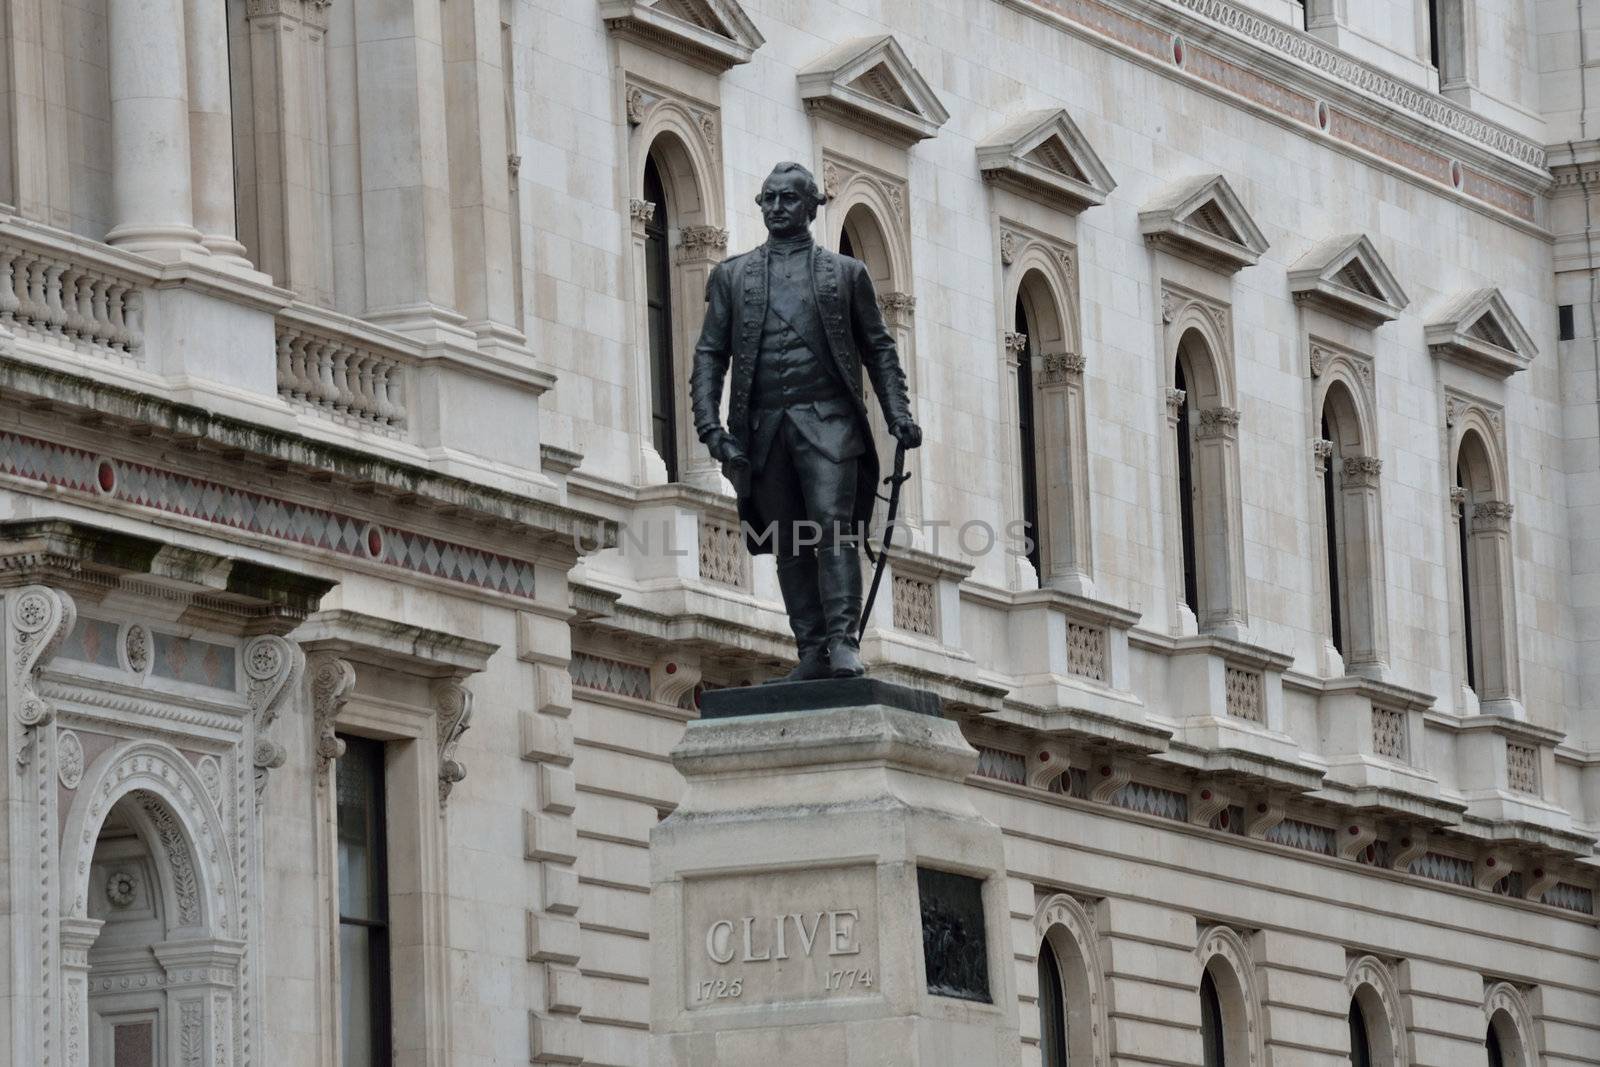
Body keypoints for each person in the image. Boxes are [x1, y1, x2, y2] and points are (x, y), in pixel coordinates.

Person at [690, 162, 922, 680]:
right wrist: (712, 430)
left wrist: (898, 415)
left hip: (830, 421)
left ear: (812, 206)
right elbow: (710, 355)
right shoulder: (731, 276)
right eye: (768, 198)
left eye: (788, 199)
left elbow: (879, 351)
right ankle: (811, 649)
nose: (776, 208)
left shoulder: (846, 274)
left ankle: (843, 642)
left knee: (834, 530)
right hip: (765, 428)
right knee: (790, 540)